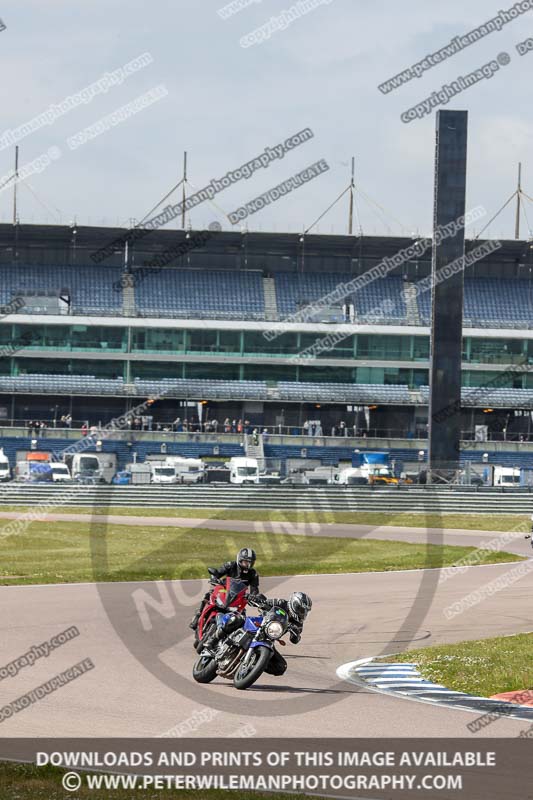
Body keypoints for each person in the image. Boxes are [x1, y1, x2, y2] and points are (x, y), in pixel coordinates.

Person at [203, 591, 312, 676]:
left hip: (268, 639)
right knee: (236, 619)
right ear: (294, 604)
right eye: (301, 609)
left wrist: (296, 634)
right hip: (258, 624)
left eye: (305, 611)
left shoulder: (298, 623)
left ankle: (254, 665)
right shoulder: (281, 603)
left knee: (280, 667)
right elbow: (266, 602)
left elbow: (295, 639)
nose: (302, 613)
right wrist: (257, 600)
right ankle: (212, 640)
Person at [189, 547, 259, 630]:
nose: (248, 565)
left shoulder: (253, 574)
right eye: (246, 562)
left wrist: (253, 596)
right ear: (239, 560)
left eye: (250, 563)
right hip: (224, 590)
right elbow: (218, 573)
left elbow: (254, 589)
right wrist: (214, 577)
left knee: (242, 615)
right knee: (209, 595)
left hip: (238, 598)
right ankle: (199, 615)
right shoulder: (231, 565)